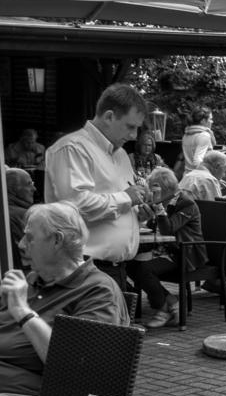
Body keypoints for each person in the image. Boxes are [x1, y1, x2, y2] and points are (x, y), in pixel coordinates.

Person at [0, 203, 128, 396]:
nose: (21, 245)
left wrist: (23, 312)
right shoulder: (28, 281)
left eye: (30, 238)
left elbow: (77, 367)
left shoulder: (98, 290)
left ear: (57, 240)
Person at [44, 82, 152, 263]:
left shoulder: (122, 155)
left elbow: (118, 207)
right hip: (82, 267)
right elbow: (75, 206)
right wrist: (127, 198)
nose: (134, 136)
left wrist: (138, 215)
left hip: (116, 268)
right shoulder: (72, 148)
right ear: (109, 116)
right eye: (130, 127)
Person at [127, 167, 205, 328]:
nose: (152, 192)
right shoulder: (163, 200)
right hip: (162, 248)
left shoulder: (185, 202)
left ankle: (163, 308)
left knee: (144, 269)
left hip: (182, 252)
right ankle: (169, 301)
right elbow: (151, 225)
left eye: (155, 188)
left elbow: (168, 229)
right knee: (128, 264)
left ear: (166, 188)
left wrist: (159, 210)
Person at [181, 106, 216, 176]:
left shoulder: (186, 134)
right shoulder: (204, 135)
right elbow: (197, 161)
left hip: (187, 177)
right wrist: (214, 177)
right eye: (210, 119)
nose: (212, 122)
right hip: (199, 179)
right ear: (203, 121)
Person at [6, 168, 35, 253]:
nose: (34, 188)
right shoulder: (26, 216)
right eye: (29, 184)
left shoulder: (6, 212)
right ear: (12, 189)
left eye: (32, 183)